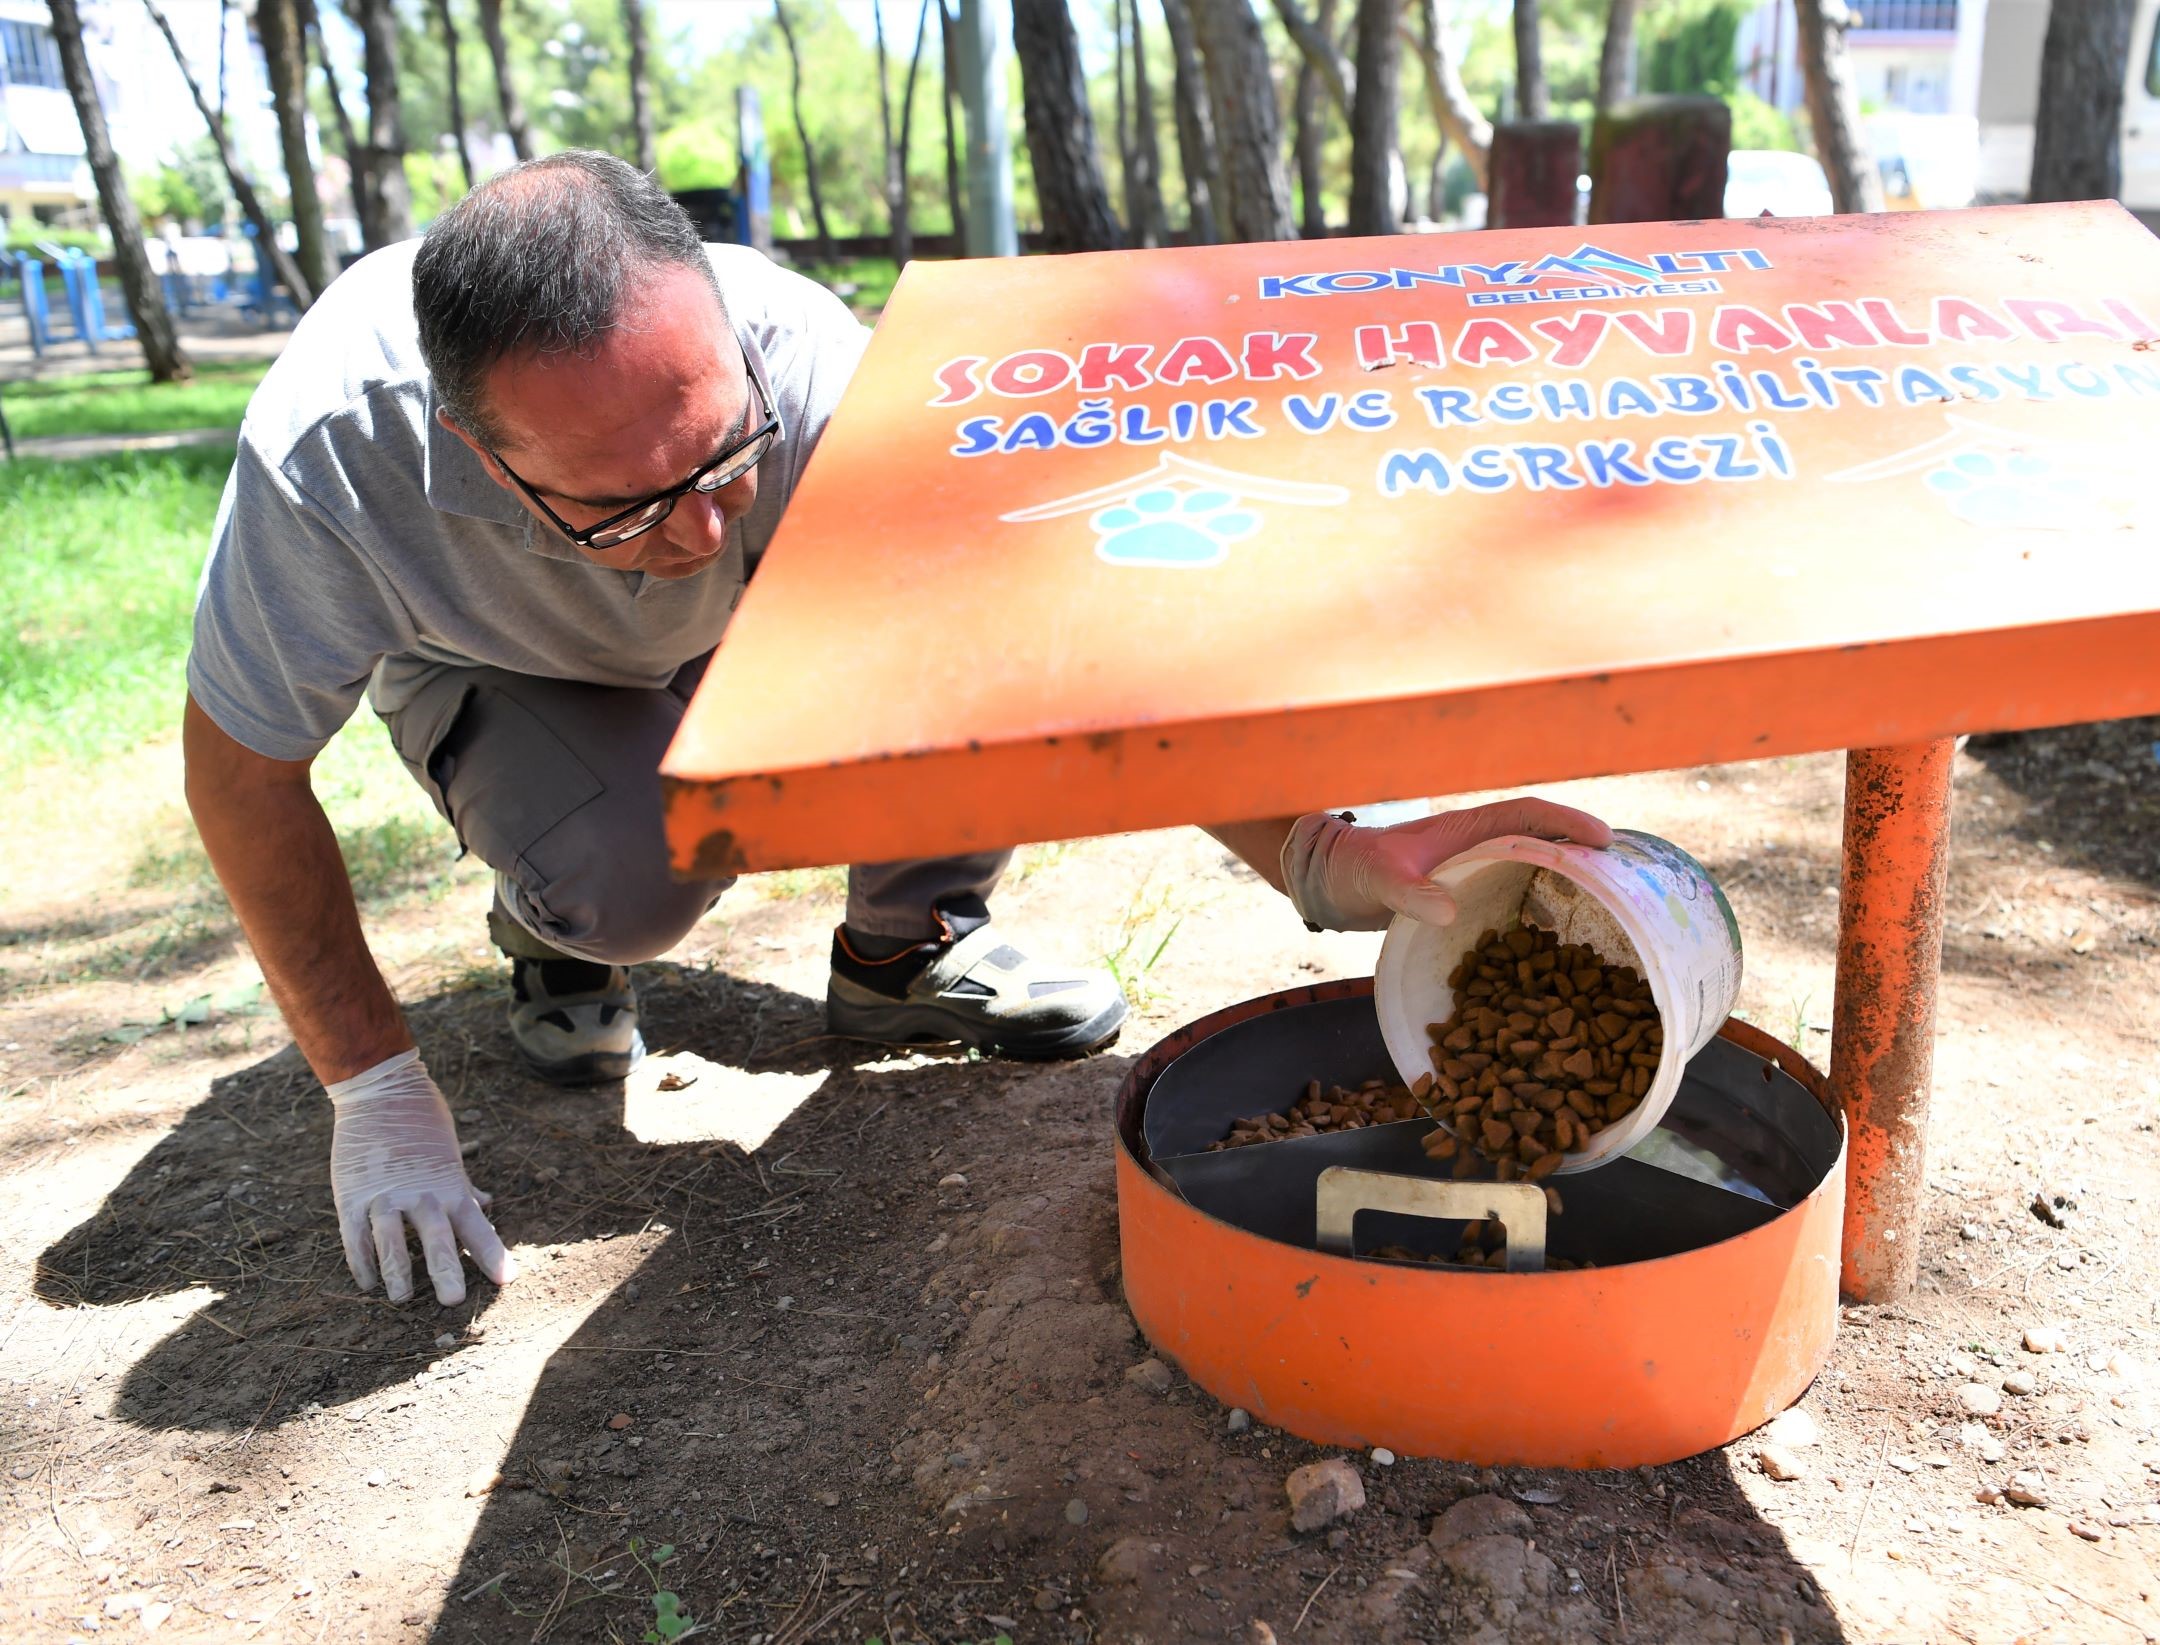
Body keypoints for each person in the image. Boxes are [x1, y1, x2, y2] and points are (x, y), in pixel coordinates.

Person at [182, 152, 1609, 1310]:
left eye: (723, 455)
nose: (698, 528)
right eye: (624, 504)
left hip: (800, 625)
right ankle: (553, 926)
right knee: (632, 880)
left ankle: (907, 943)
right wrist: (374, 1087)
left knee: (943, 639)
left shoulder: (813, 367)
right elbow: (241, 773)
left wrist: (1325, 849)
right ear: (478, 449)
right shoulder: (333, 456)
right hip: (511, 667)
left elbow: (1059, 634)